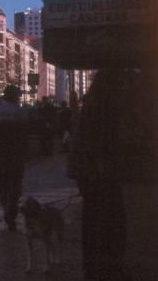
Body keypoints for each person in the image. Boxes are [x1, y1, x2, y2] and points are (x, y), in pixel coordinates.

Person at [68, 69, 139, 281]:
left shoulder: (92, 105)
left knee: (94, 221)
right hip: (100, 174)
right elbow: (101, 143)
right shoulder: (104, 108)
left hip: (91, 174)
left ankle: (93, 268)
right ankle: (108, 268)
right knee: (111, 221)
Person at [0, 84, 27, 231]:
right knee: (15, 185)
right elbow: (24, 136)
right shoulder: (20, 113)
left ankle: (6, 207)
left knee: (2, 184)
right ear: (15, 97)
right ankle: (11, 211)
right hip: (16, 155)